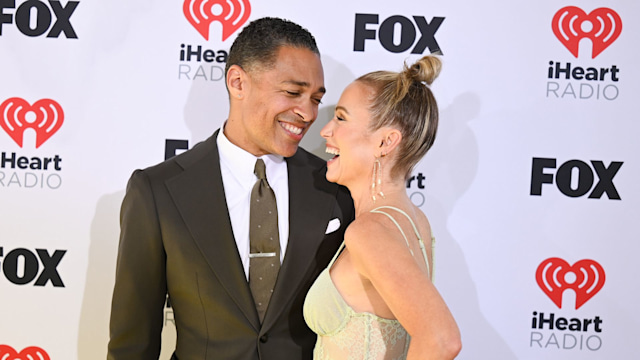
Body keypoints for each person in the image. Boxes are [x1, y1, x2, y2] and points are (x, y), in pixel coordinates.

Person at [107, 17, 354, 360]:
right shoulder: (157, 191)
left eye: (315, 98)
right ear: (238, 82)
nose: (307, 112)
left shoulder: (335, 188)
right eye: (293, 92)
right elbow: (133, 344)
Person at [303, 55, 462, 359]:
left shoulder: (369, 232)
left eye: (341, 118)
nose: (326, 131)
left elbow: (441, 340)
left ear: (385, 142)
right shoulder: (416, 222)